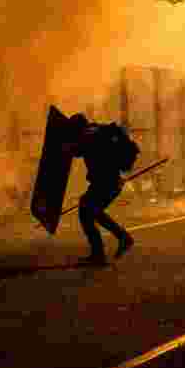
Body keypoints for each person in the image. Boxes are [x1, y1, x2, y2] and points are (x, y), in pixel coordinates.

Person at [65, 113, 136, 265]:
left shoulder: (88, 135)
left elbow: (75, 151)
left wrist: (64, 144)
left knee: (86, 212)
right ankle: (121, 238)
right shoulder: (97, 130)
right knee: (92, 211)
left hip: (105, 183)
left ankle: (100, 253)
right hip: (109, 182)